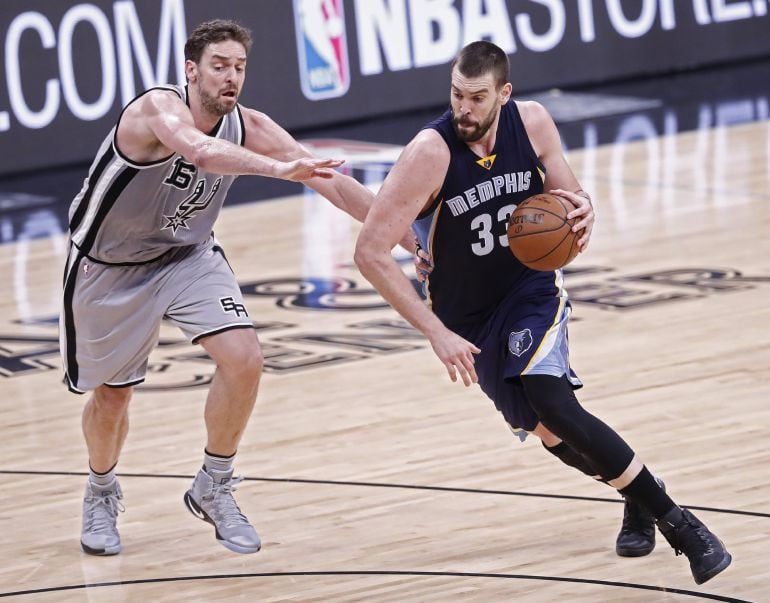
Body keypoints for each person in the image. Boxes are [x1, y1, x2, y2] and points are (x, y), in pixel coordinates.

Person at [355, 40, 731, 585]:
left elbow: (568, 196)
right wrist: (435, 332)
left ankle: (684, 528)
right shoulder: (429, 153)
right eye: (457, 94)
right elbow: (370, 252)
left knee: (551, 400)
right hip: (469, 319)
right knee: (552, 434)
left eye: (477, 97)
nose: (464, 107)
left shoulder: (531, 125)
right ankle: (638, 498)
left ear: (504, 94)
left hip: (529, 289)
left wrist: (582, 209)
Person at [61, 19, 413, 557]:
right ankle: (101, 489)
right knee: (113, 398)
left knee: (245, 358)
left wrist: (413, 241)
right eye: (219, 66)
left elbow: (332, 182)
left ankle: (214, 483)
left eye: (239, 68)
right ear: (191, 69)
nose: (230, 78)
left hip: (186, 256)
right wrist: (280, 168)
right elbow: (199, 152)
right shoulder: (157, 110)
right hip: (110, 267)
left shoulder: (252, 125)